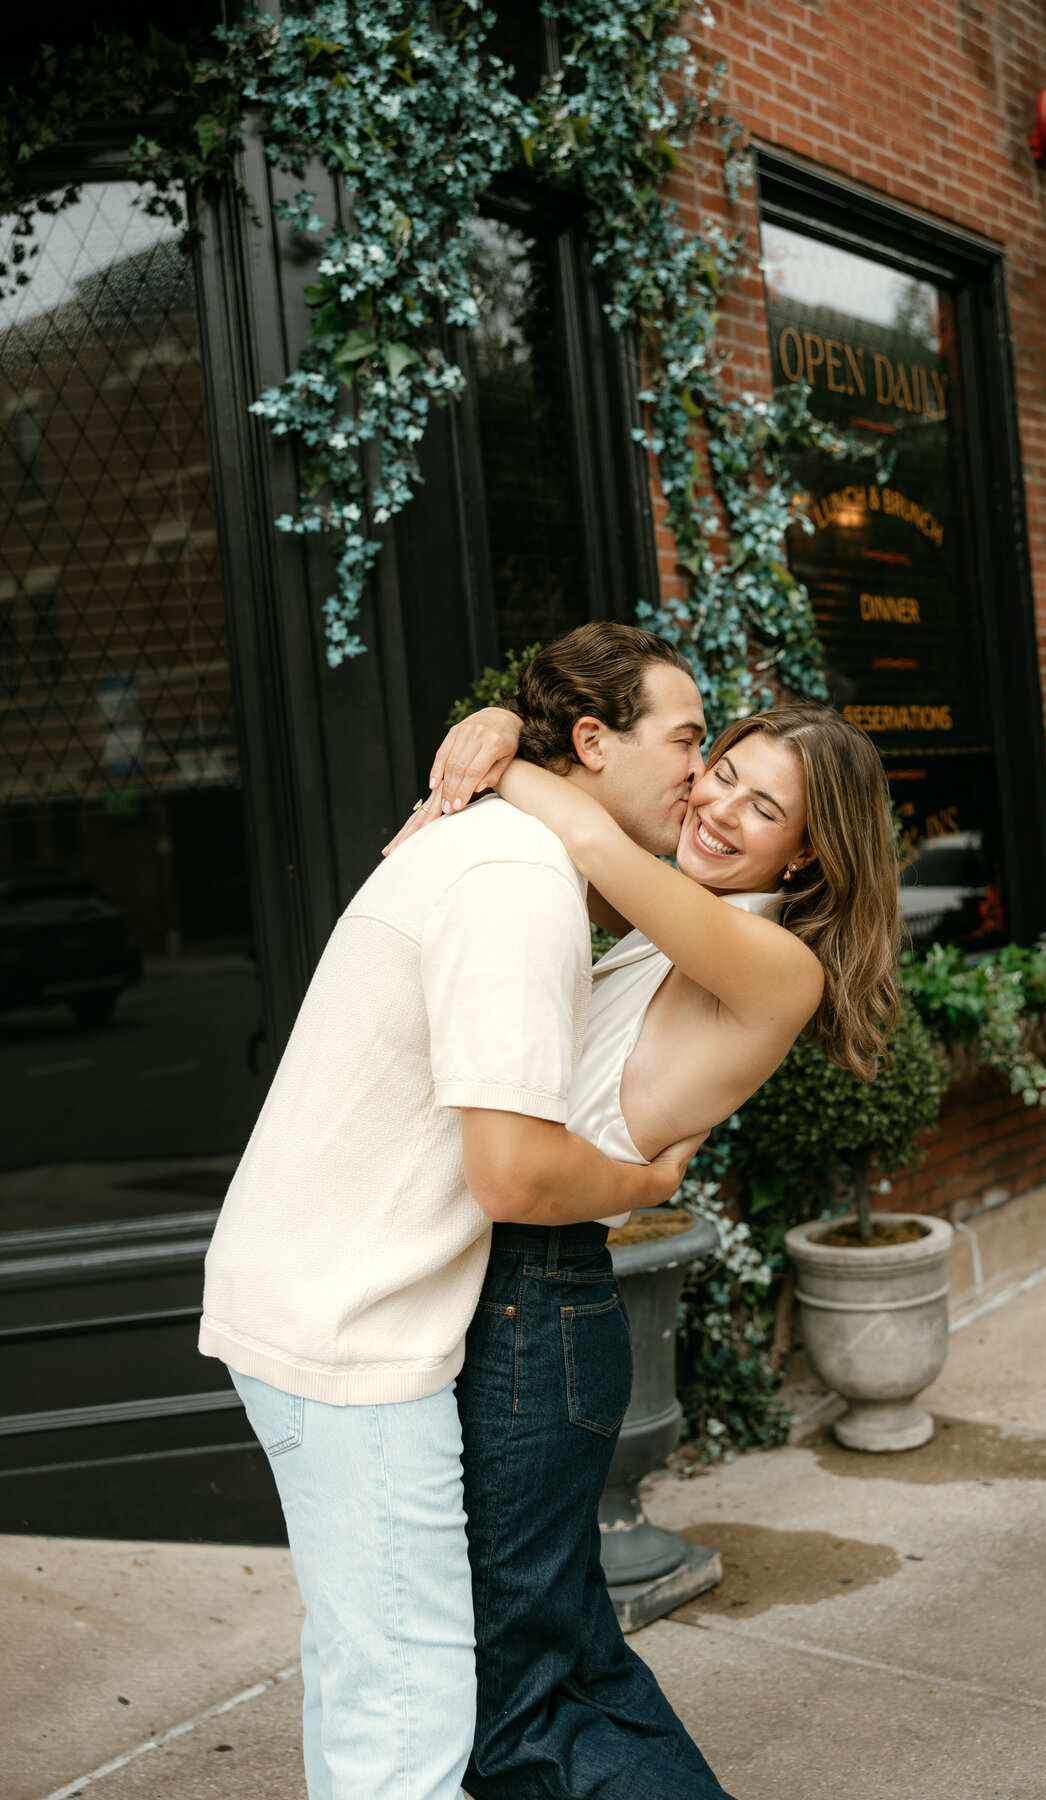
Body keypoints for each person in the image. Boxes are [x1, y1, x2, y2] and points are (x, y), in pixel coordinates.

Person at [199, 623, 714, 1800]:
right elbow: (516, 1177)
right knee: (412, 1723)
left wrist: (505, 749)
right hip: (355, 1331)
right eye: (685, 739)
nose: (700, 765)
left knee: (366, 1672)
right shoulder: (515, 883)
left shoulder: (510, 848)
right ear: (593, 740)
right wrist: (643, 1184)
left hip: (319, 1302)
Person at [389, 662, 901, 1800]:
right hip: (522, 1298)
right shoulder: (681, 927)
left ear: (809, 854)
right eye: (720, 774)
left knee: (521, 1694)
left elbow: (596, 839)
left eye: (763, 809)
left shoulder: (775, 964)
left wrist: (497, 742)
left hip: (539, 1305)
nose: (718, 808)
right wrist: (492, 722)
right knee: (556, 1656)